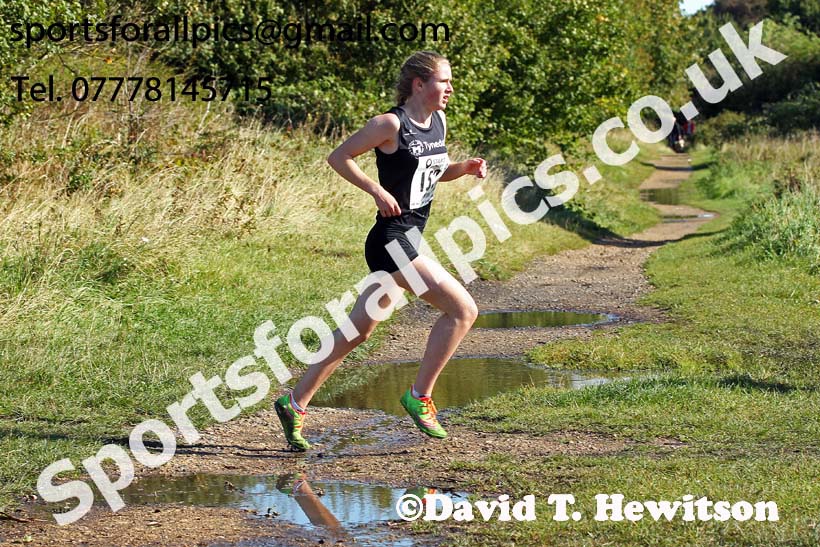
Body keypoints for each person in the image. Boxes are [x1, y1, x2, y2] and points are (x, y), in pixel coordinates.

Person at [274, 50, 487, 451]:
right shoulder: (389, 124)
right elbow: (338, 157)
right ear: (419, 84)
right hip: (392, 239)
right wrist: (376, 189)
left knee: (358, 330)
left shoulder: (437, 121)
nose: (451, 88)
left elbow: (434, 172)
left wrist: (466, 168)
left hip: (410, 235)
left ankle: (294, 402)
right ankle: (419, 396)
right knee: (463, 310)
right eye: (444, 80)